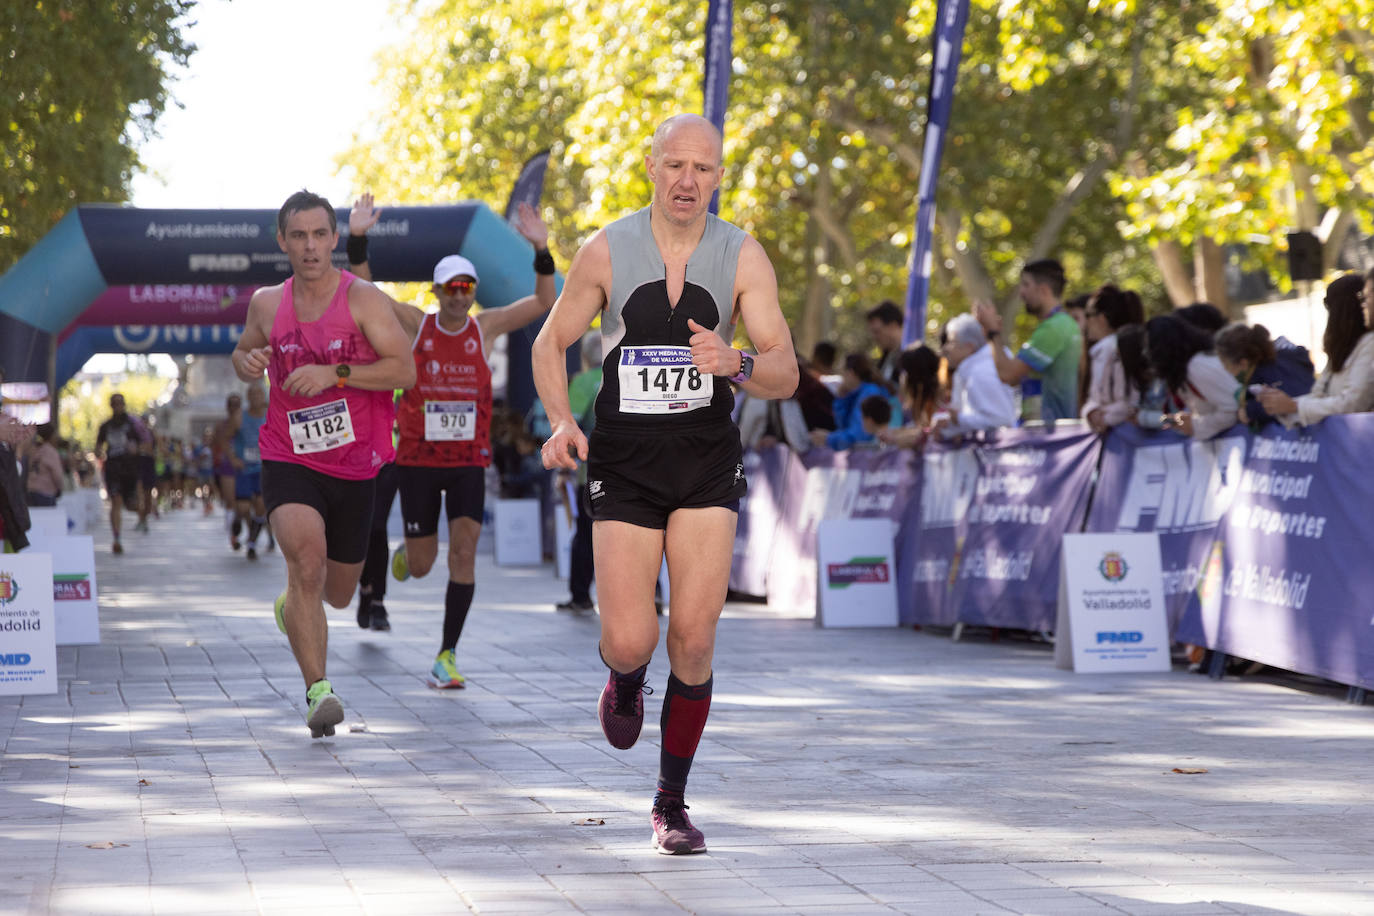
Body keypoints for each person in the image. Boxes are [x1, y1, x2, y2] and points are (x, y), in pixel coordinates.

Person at [531, 113, 798, 855]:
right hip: (624, 459)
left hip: (707, 459)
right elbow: (550, 343)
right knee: (630, 637)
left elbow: (786, 369)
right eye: (675, 165)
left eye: (703, 169)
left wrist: (737, 362)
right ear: (651, 167)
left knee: (693, 635)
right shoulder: (607, 250)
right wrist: (560, 420)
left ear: (718, 176)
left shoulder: (743, 255)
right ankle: (623, 677)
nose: (688, 180)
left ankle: (670, 803)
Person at [349, 192, 556, 687]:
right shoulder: (416, 326)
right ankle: (404, 556)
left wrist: (542, 252)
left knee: (463, 551)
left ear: (474, 290)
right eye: (451, 287)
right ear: (439, 291)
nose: (460, 294)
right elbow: (365, 290)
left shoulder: (485, 328)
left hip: (467, 461)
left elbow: (546, 301)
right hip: (418, 460)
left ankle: (447, 654)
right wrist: (358, 238)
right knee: (422, 566)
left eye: (467, 286)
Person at [231, 189, 416, 739]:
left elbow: (403, 369)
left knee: (336, 592)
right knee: (306, 564)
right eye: (298, 236)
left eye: (319, 235)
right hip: (289, 455)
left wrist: (336, 374)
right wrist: (249, 361)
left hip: (357, 465)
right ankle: (319, 691)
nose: (310, 246)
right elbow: (243, 353)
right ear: (283, 242)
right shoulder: (267, 304)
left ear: (334, 239)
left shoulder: (363, 301)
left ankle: (294, 608)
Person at [1257, 273, 1374, 428]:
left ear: (1340, 310)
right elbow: (1319, 395)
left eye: (1366, 297)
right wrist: (1283, 404)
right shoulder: (1343, 348)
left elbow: (1353, 403)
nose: (1364, 304)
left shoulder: (1369, 343)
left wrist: (1293, 406)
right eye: (1362, 297)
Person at [973, 258, 1082, 422]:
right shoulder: (1065, 324)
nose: (1021, 293)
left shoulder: (1054, 328)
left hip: (1053, 435)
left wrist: (992, 331)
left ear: (1043, 290)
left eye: (1025, 285)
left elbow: (1008, 374)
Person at [1144, 314, 1240, 439]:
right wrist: (1188, 421)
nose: (1145, 353)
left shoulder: (1197, 366)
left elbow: (1233, 408)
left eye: (1149, 346)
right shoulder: (1189, 368)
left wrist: (1195, 425)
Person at [1213, 323, 1314, 430]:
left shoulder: (1272, 373)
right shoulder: (1284, 360)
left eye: (1226, 365)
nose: (1226, 371)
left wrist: (1250, 411)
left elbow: (1291, 400)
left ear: (1243, 363)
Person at [934, 313, 1018, 438]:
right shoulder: (975, 369)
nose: (946, 348)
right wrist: (948, 425)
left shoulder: (980, 373)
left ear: (969, 347)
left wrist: (958, 419)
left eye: (951, 342)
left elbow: (1000, 419)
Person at [1079, 284, 1146, 434]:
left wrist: (1105, 418)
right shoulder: (1103, 351)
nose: (1085, 322)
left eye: (1088, 314)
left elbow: (1129, 401)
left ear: (1102, 318)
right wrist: (1091, 411)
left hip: (1125, 437)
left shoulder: (1112, 349)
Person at [95, 393, 147, 555]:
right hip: (113, 470)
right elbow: (97, 447)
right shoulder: (105, 426)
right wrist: (99, 453)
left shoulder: (134, 424)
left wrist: (137, 449)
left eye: (120, 403)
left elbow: (147, 444)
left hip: (130, 470)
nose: (118, 406)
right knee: (115, 502)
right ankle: (116, 538)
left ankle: (142, 517)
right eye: (114, 403)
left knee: (132, 505)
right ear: (111, 406)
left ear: (124, 405)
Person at [810, 352, 890, 451]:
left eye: (842, 373)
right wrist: (841, 398)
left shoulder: (869, 393)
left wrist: (828, 438)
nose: (842, 378)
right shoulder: (855, 393)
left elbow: (859, 435)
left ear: (850, 373)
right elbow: (843, 427)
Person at [228, 382, 272, 560]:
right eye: (252, 394)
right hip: (245, 469)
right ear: (248, 398)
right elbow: (223, 438)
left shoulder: (271, 416)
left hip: (263, 468)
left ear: (264, 397)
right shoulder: (240, 417)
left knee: (261, 506)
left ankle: (252, 543)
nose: (256, 397)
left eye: (259, 394)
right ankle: (237, 522)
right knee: (243, 507)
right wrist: (232, 458)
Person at [877, 344, 943, 449]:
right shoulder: (919, 404)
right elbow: (921, 429)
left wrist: (896, 438)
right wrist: (895, 433)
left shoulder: (940, 402)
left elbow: (928, 434)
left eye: (904, 372)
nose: (902, 377)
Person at [865, 300, 905, 389]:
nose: (874, 337)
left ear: (893, 326)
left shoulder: (912, 358)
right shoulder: (885, 357)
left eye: (877, 332)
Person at [24, 423, 64, 508]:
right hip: (46, 493)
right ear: (51, 435)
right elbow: (57, 474)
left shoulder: (31, 450)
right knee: (46, 519)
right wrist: (60, 488)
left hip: (30, 491)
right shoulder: (50, 452)